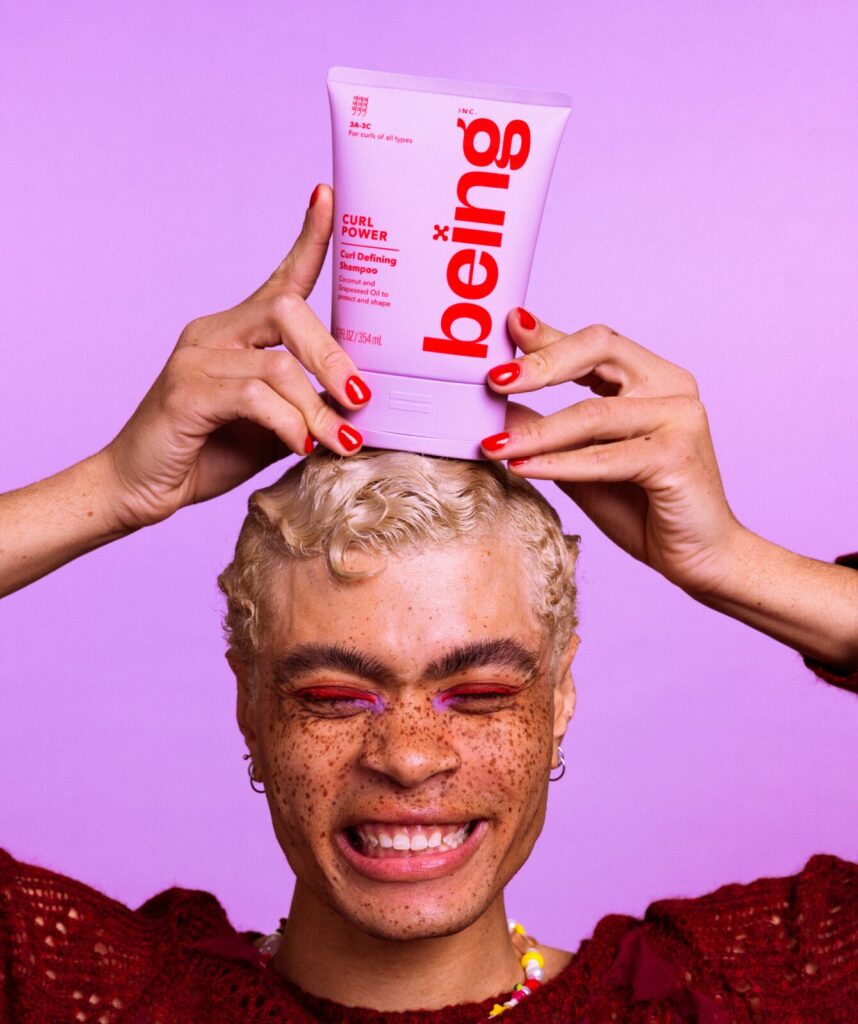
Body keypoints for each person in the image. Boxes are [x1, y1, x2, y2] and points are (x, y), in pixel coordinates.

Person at [1, 186, 856, 1022]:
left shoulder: (730, 996)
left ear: (560, 697)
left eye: (480, 694)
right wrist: (111, 486)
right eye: (333, 698)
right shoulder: (78, 993)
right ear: (249, 706)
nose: (409, 758)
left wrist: (734, 562)